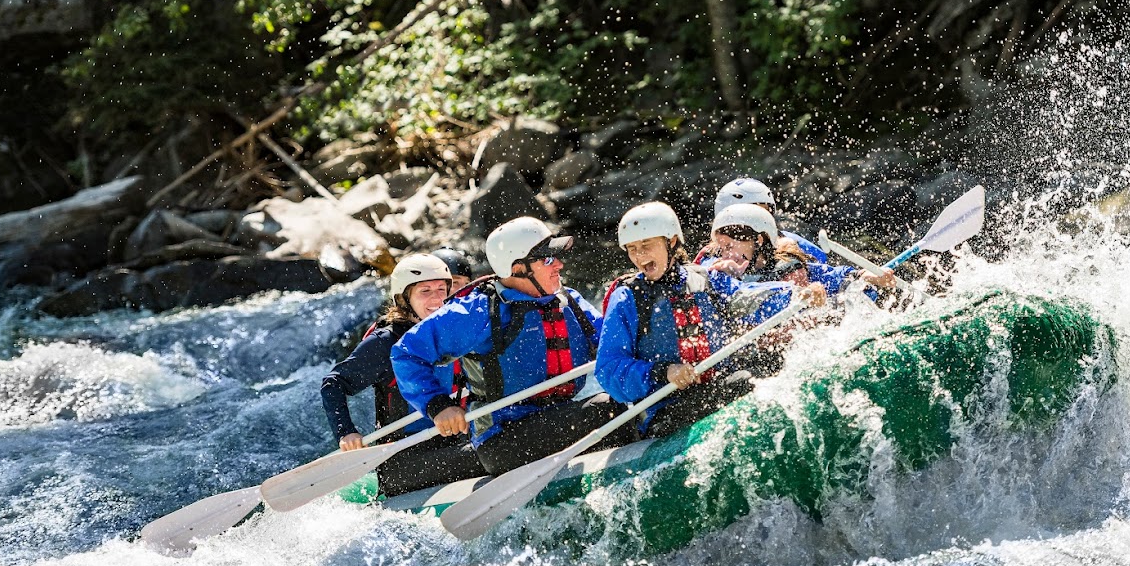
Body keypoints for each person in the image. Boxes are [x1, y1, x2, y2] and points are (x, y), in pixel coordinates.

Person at [391, 216, 623, 475]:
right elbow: (406, 353)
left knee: (632, 398)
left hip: (557, 416)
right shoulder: (477, 311)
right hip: (504, 439)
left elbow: (615, 344)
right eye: (547, 259)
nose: (559, 264)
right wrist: (438, 406)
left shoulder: (570, 302)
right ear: (517, 268)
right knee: (609, 409)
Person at [597, 201, 826, 441]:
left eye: (646, 245)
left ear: (672, 242)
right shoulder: (627, 298)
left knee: (768, 365)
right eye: (632, 248)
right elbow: (608, 368)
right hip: (665, 407)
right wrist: (663, 372)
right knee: (743, 382)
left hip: (714, 386)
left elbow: (747, 298)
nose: (639, 256)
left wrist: (795, 294)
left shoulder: (706, 279)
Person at [321, 254, 486, 496]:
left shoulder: (454, 332)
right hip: (403, 459)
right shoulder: (386, 342)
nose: (437, 298)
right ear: (404, 298)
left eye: (442, 289)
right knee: (492, 453)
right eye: (425, 291)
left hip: (453, 442)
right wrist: (346, 432)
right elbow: (333, 384)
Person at [704, 203, 897, 296]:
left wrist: (862, 275)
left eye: (730, 246)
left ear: (759, 240)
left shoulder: (788, 262)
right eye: (721, 249)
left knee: (862, 291)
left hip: (801, 339)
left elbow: (830, 275)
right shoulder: (723, 276)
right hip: (757, 358)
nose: (725, 255)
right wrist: (793, 296)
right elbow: (746, 296)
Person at [707, 176, 828, 264]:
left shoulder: (796, 245)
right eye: (752, 215)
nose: (762, 221)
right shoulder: (711, 256)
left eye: (766, 213)